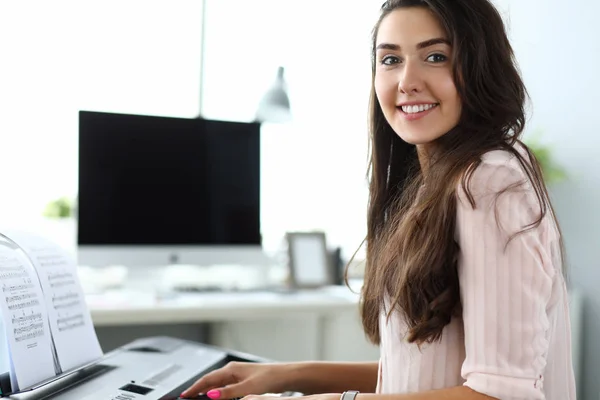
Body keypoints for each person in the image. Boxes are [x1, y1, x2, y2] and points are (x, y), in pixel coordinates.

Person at [181, 0, 576, 399]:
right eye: (390, 60)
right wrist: (286, 375)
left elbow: (501, 394)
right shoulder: (434, 185)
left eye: (435, 57)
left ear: (480, 69)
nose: (407, 81)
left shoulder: (488, 180)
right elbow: (418, 376)